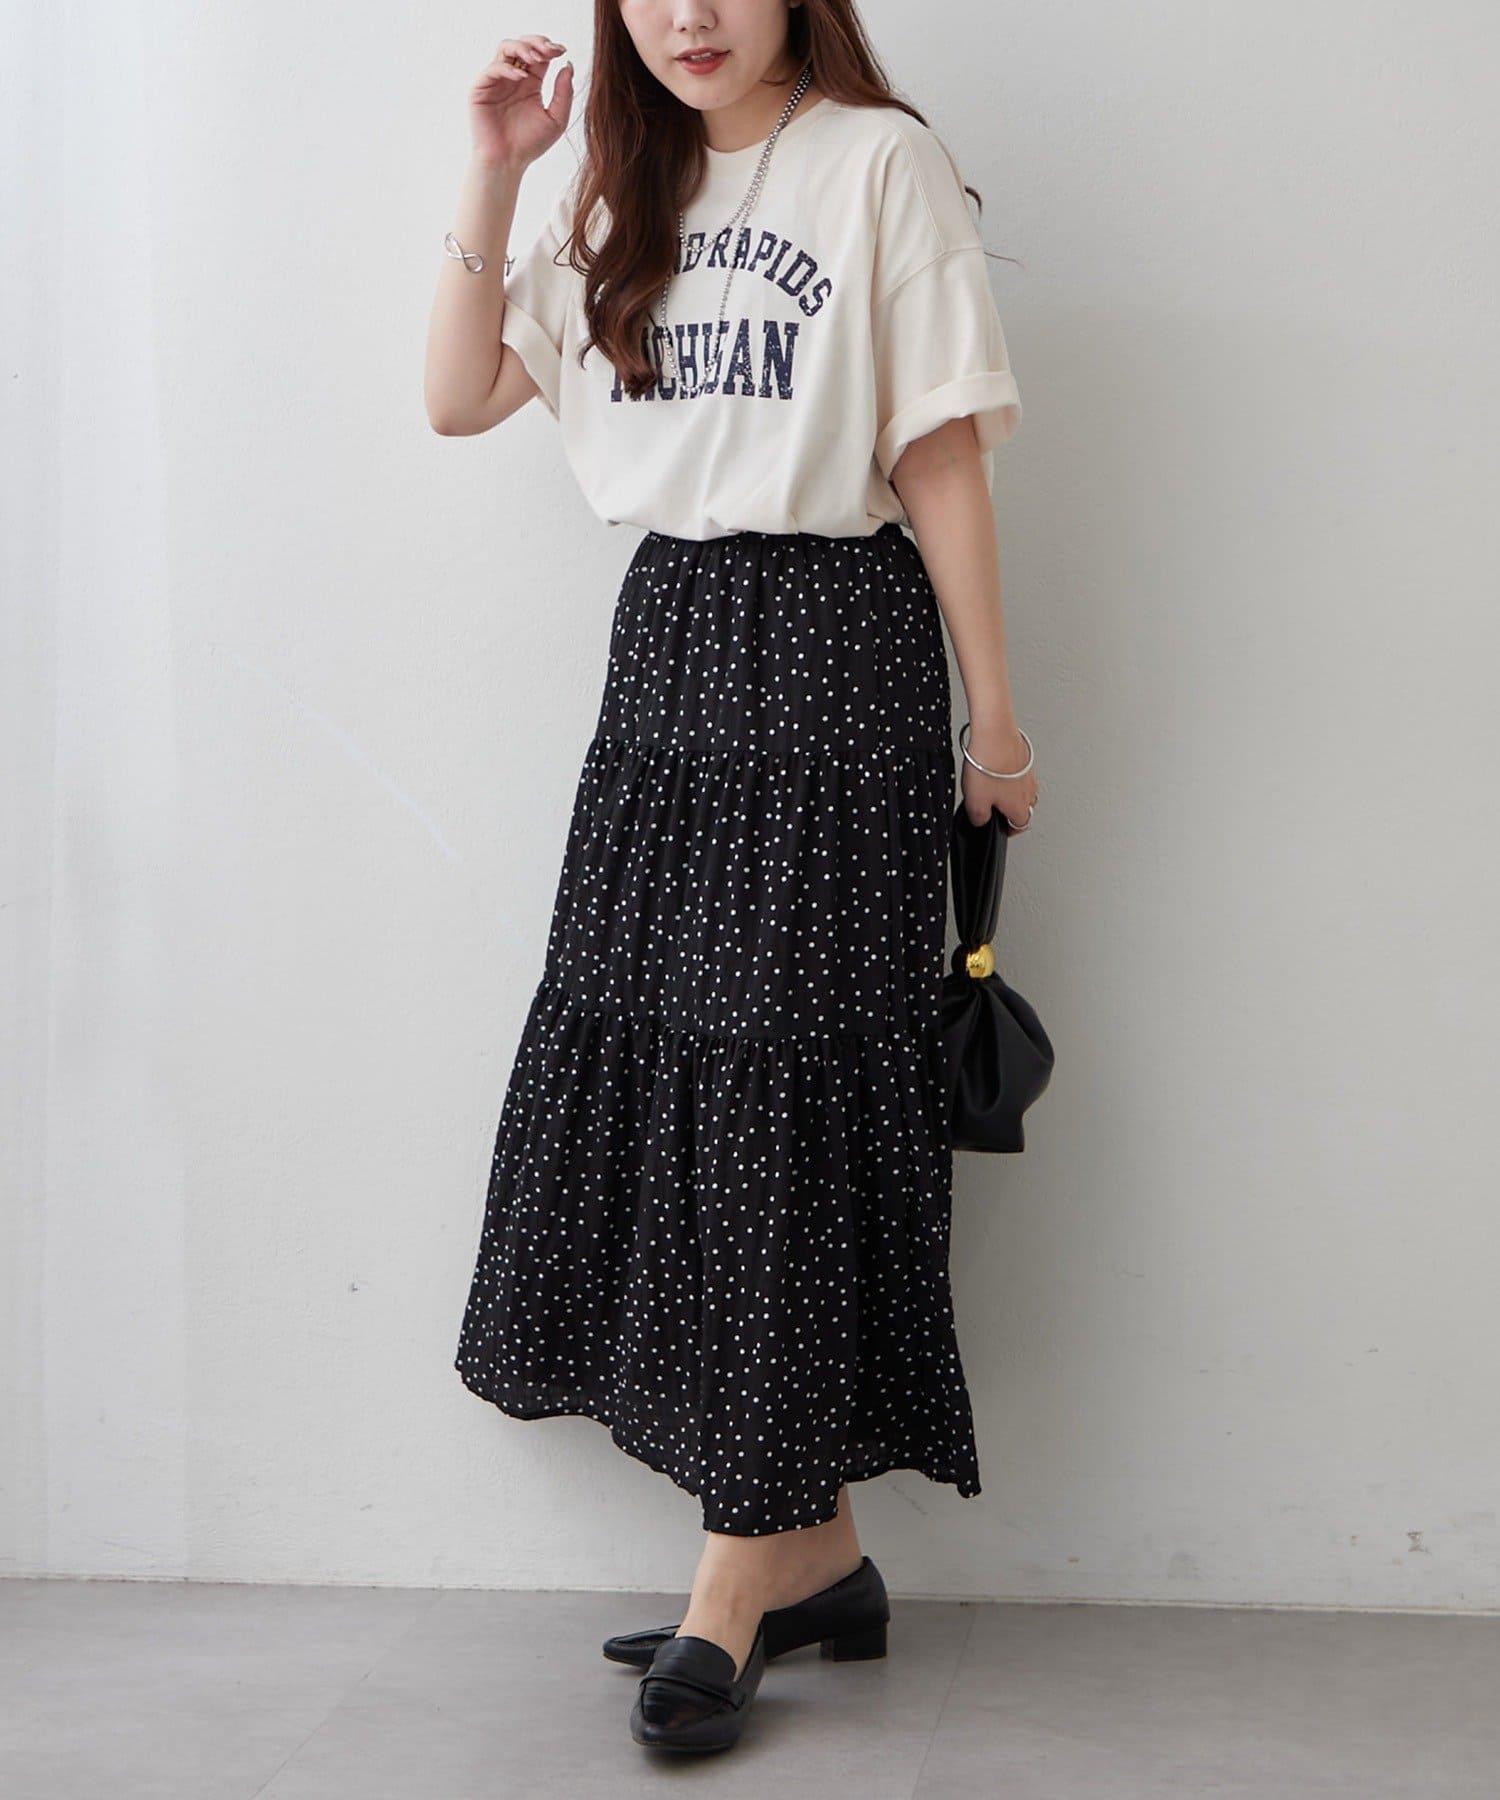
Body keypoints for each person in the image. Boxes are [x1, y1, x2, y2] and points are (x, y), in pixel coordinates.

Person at [424, 0, 1039, 1757]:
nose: (688, 13)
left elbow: (936, 446)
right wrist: (497, 168)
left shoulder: (878, 162)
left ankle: (733, 1581)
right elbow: (457, 397)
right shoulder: (619, 187)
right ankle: (817, 1558)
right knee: (674, 1083)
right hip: (671, 647)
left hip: (836, 648)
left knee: (779, 1091)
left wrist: (995, 721)